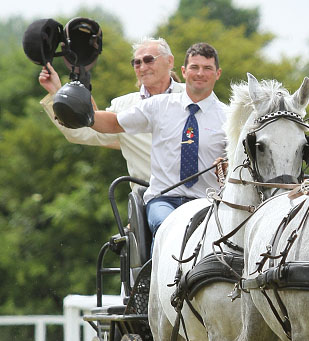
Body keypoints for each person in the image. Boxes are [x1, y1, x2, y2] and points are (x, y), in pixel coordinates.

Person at [88, 42, 226, 240]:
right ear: (184, 71)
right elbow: (113, 123)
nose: (200, 73)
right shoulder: (158, 106)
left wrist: (226, 165)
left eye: (207, 68)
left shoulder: (228, 118)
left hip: (207, 202)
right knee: (169, 228)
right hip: (164, 200)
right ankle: (156, 272)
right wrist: (84, 114)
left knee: (213, 234)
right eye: (194, 67)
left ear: (218, 73)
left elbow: (239, 163)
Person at [38, 37, 184, 181]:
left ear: (169, 61)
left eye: (149, 60)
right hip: (152, 196)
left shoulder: (194, 96)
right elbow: (83, 131)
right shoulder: (122, 107)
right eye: (137, 62)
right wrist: (56, 93)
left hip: (200, 194)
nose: (143, 67)